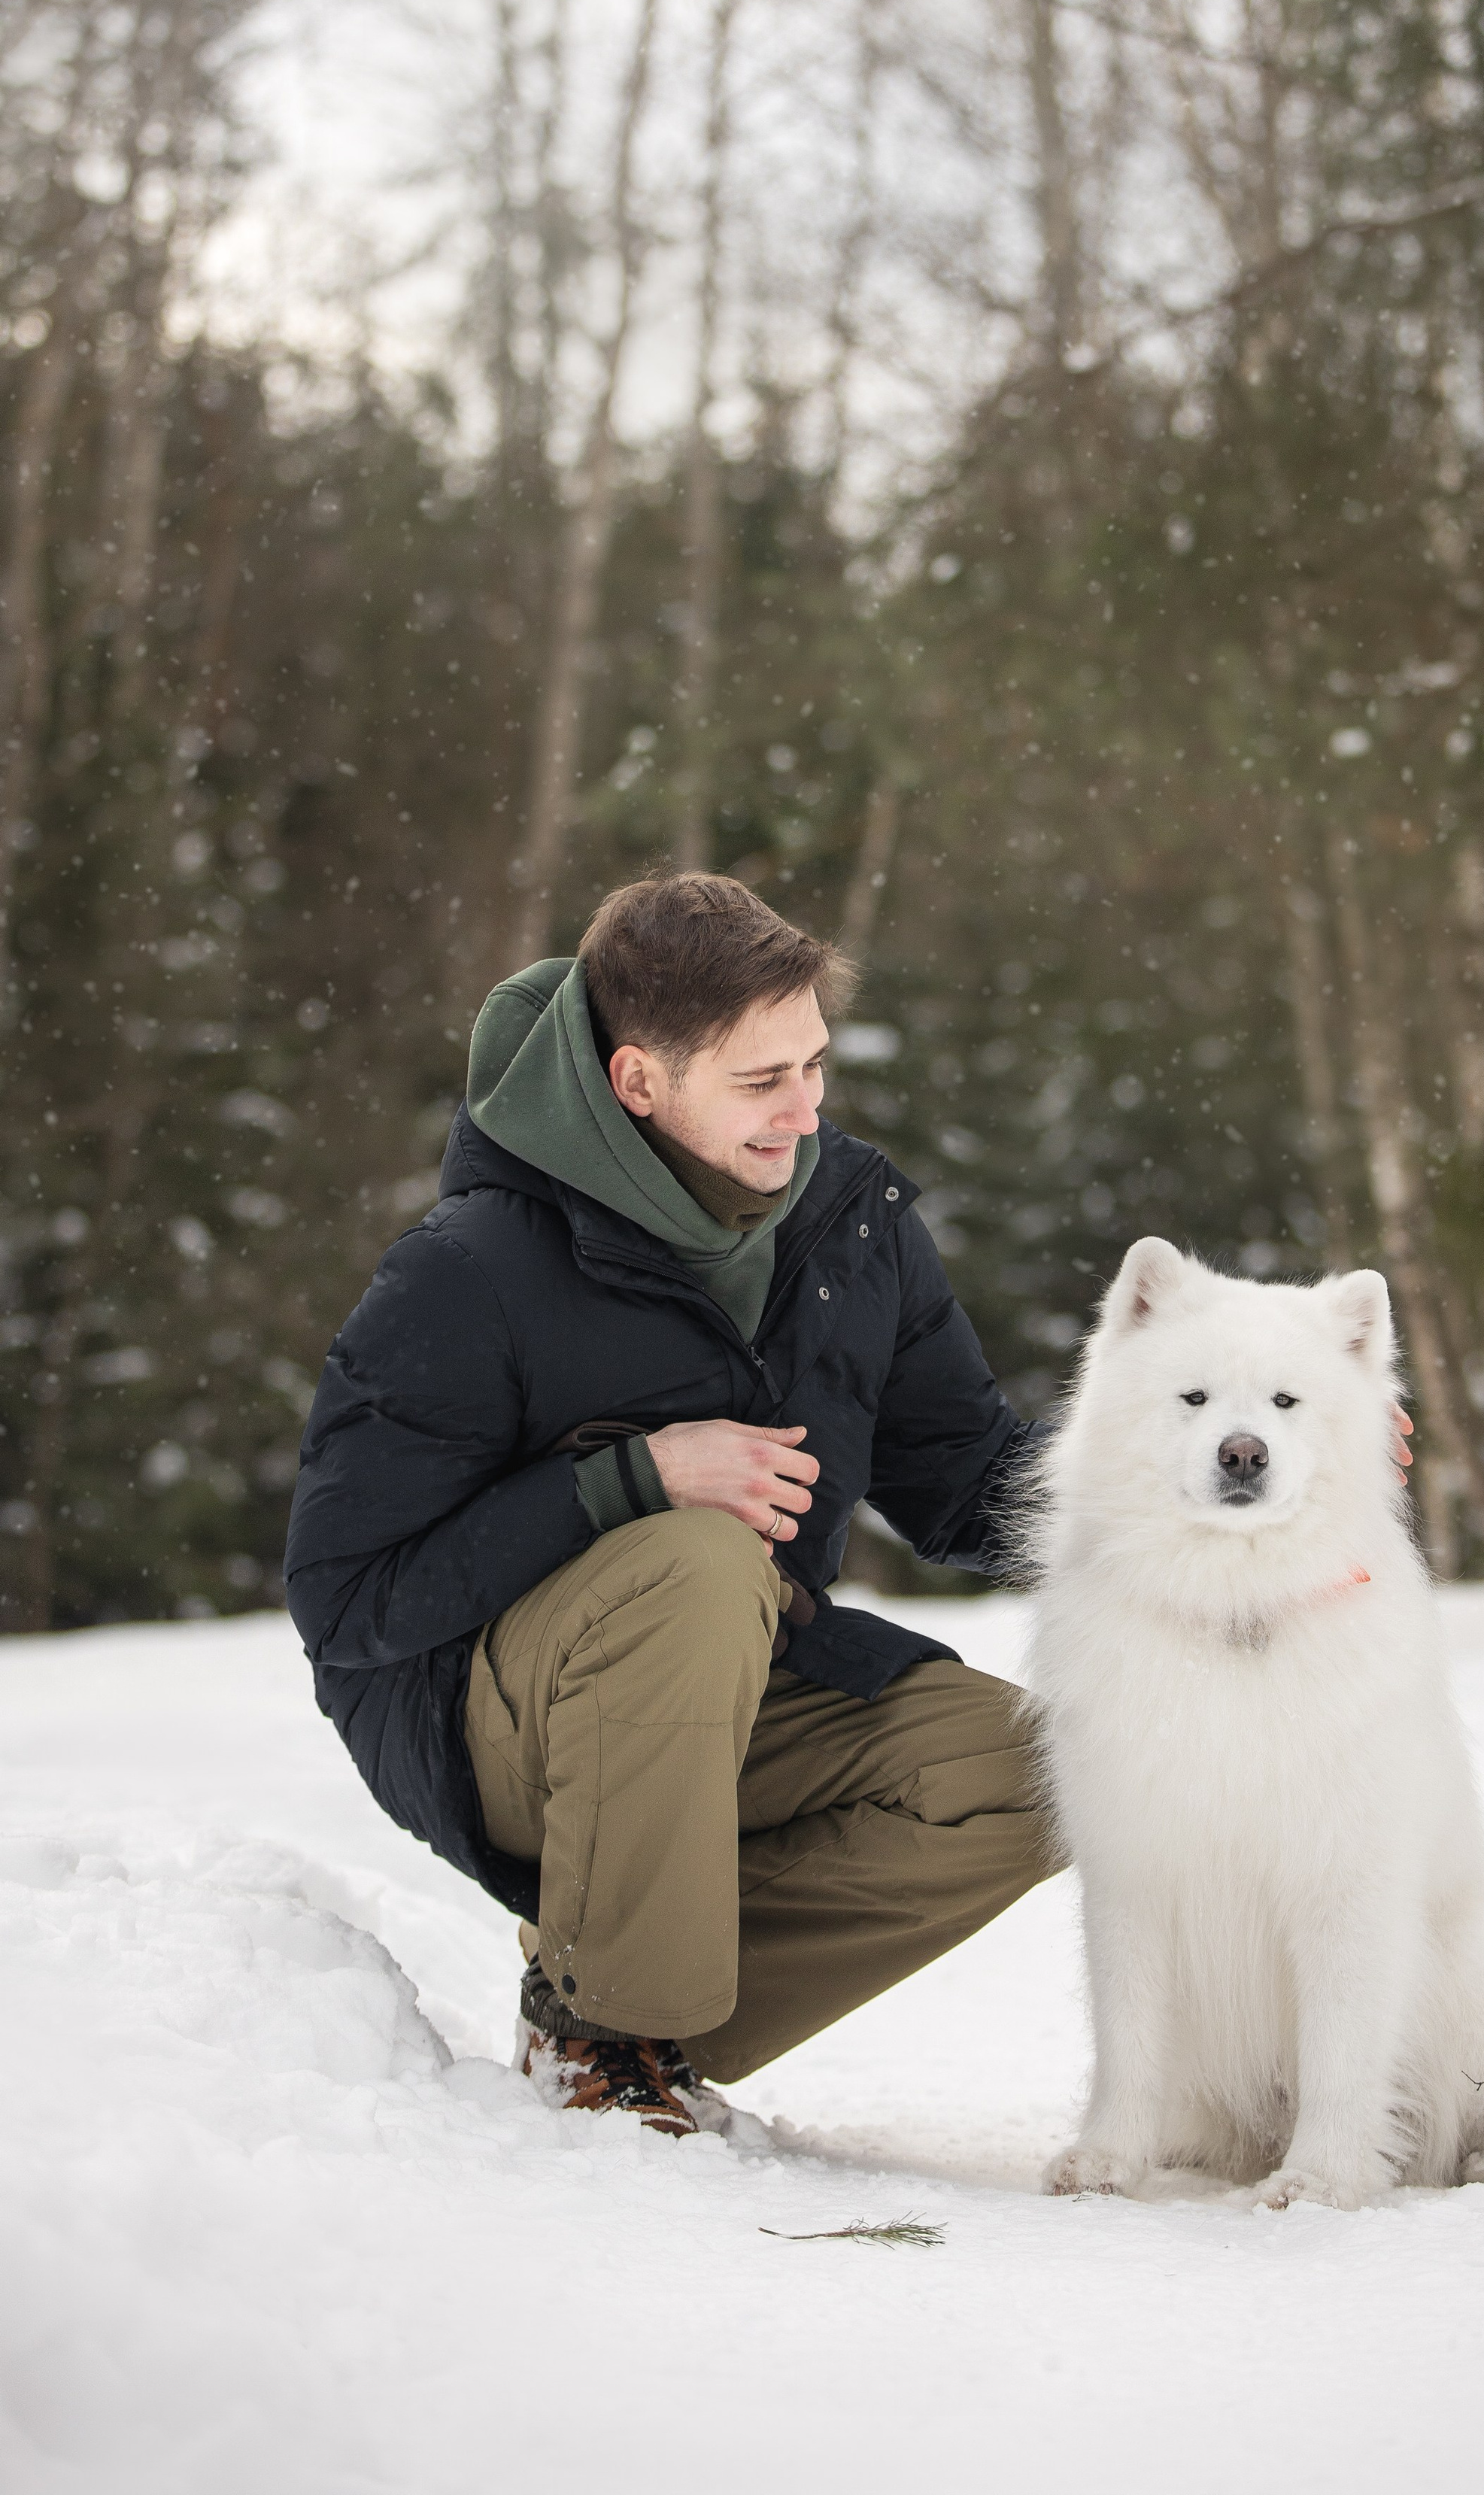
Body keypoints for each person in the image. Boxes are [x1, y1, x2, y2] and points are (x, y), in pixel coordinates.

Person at [283, 870, 1061, 2132]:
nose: (805, 1112)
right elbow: (350, 1602)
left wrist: (1221, 1487)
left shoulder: (846, 1222)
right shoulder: (470, 1274)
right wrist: (630, 1480)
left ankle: (630, 1993)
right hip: (494, 1723)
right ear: (640, 1082)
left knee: (1042, 1773)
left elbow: (967, 1476)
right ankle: (604, 2034)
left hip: (738, 1672)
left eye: (813, 1065)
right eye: (762, 1083)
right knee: (696, 1559)